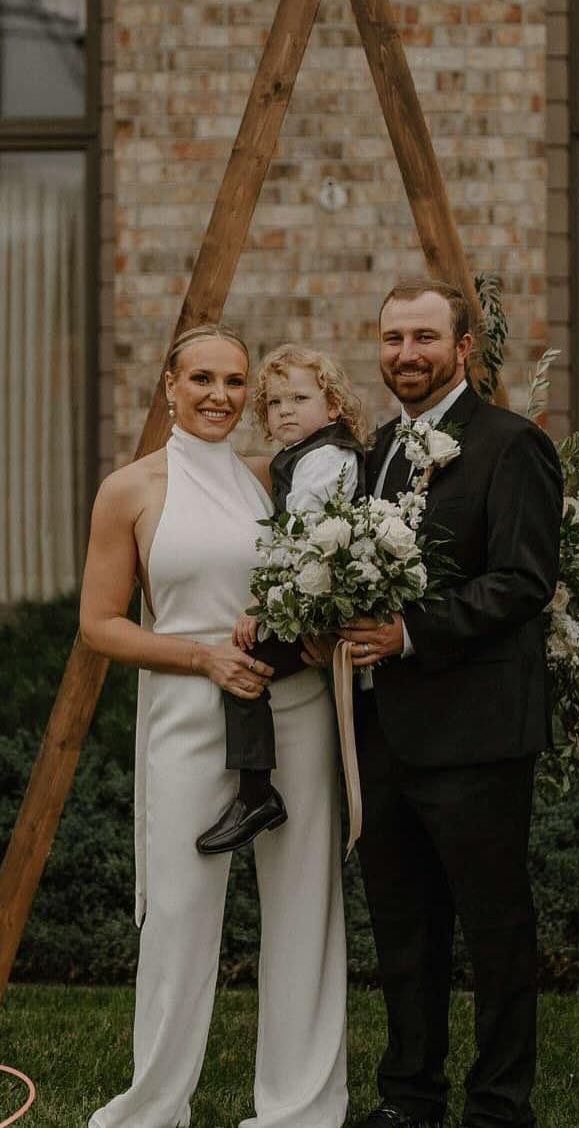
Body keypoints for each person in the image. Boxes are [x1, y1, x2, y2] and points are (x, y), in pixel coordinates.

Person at [80, 322, 348, 1128]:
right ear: (168, 385)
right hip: (187, 707)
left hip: (291, 707)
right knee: (179, 909)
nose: (219, 397)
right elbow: (99, 625)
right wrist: (202, 662)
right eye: (202, 380)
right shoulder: (130, 489)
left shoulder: (272, 479)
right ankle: (154, 1107)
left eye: (235, 383)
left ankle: (299, 1108)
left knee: (305, 902)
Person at [336, 279, 562, 1128]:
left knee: (494, 933)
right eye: (393, 339)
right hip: (381, 734)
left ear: (462, 347)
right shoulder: (373, 456)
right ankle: (408, 1099)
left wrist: (409, 632)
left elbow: (522, 581)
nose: (406, 355)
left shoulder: (509, 446)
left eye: (424, 338)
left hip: (475, 735)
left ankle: (499, 1105)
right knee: (404, 933)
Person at [196, 343, 369, 856]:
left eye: (299, 398)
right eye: (274, 403)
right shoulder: (308, 456)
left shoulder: (325, 460)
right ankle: (256, 793)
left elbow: (303, 542)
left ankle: (256, 795)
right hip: (315, 600)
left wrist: (261, 606)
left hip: (318, 607)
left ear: (333, 406)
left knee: (243, 670)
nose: (286, 410)